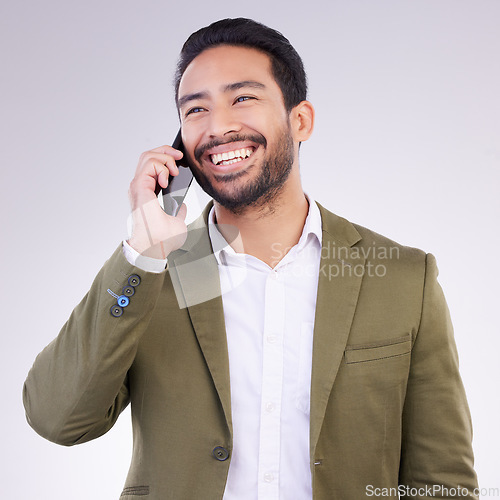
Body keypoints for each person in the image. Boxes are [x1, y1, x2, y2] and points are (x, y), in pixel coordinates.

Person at [23, 18, 479, 500]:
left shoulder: (402, 278)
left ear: (300, 119)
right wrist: (142, 255)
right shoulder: (155, 274)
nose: (218, 127)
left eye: (242, 98)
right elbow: (58, 419)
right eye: (195, 109)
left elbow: (441, 482)